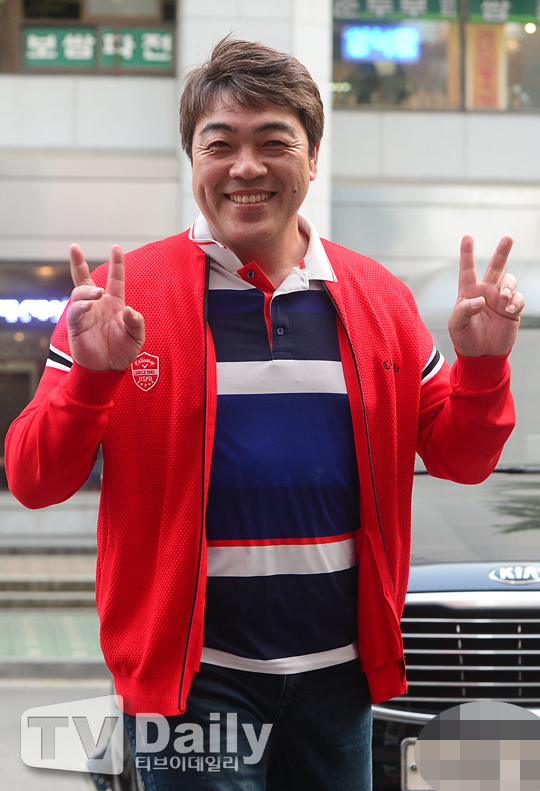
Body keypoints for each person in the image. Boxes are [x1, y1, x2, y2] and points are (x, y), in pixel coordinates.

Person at [5, 36, 524, 791]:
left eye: (273, 142)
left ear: (312, 159)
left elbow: (461, 458)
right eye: (220, 145)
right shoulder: (124, 298)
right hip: (194, 685)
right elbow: (34, 480)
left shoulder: (378, 297)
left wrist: (482, 365)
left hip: (339, 682)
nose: (245, 167)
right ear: (193, 161)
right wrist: (90, 381)